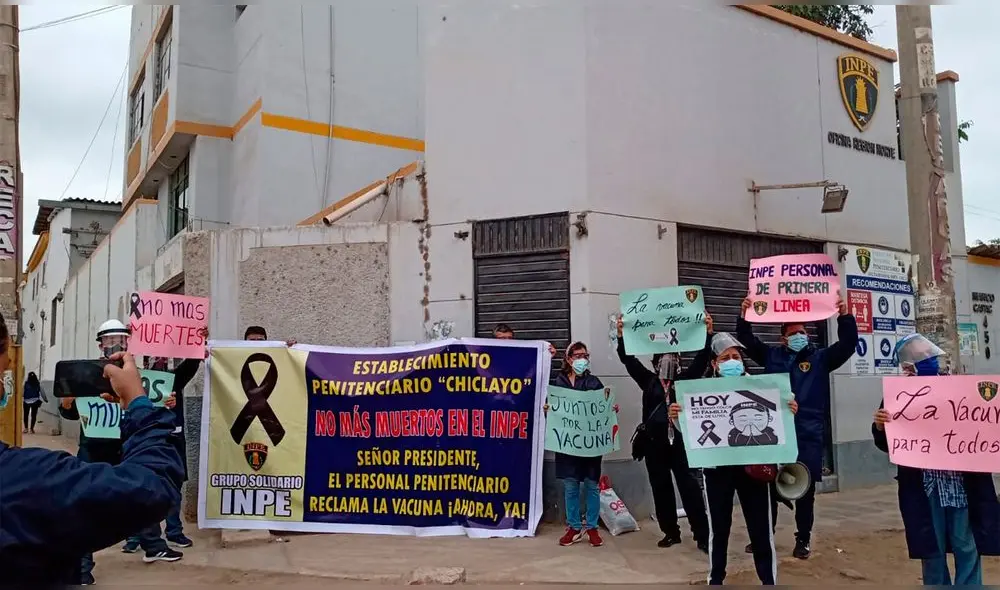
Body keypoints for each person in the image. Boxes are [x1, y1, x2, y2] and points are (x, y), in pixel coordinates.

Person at [0, 350, 185, 585]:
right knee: (85, 508)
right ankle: (85, 568)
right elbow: (153, 487)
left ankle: (152, 546)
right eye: (3, 375)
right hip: (94, 453)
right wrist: (139, 404)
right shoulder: (33, 480)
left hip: (119, 453)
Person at [669, 332, 798, 586]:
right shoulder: (700, 392)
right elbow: (692, 431)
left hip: (754, 469)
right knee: (719, 529)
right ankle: (716, 578)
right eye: (725, 357)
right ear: (715, 364)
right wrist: (677, 416)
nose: (732, 361)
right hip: (717, 469)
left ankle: (768, 580)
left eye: (735, 356)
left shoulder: (763, 389)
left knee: (761, 529)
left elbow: (779, 423)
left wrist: (789, 409)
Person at [736, 291, 857, 559]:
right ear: (783, 338)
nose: (799, 336)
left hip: (807, 434)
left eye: (802, 331)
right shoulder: (770, 357)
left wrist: (845, 316)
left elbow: (849, 344)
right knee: (766, 487)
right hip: (773, 434)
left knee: (804, 490)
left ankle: (802, 539)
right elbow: (746, 339)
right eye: (793, 333)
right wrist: (744, 315)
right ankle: (763, 537)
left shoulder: (820, 359)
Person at [872, 333, 1000, 586]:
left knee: (967, 547)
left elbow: (981, 423)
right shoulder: (899, 395)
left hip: (962, 486)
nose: (926, 360)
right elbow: (887, 442)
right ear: (908, 364)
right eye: (918, 357)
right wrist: (879, 425)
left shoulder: (960, 388)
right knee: (932, 551)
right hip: (926, 488)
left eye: (928, 354)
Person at [615, 313, 711, 551]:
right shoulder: (648, 381)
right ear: (656, 362)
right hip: (654, 444)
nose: (669, 362)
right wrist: (621, 336)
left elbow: (703, 358)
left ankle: (702, 534)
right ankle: (671, 532)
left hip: (680, 443)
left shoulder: (687, 379)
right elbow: (628, 360)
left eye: (673, 357)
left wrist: (708, 333)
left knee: (689, 488)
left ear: (679, 360)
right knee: (661, 489)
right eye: (663, 358)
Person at [550, 341, 608, 548]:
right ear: (568, 359)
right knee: (571, 486)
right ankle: (574, 527)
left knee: (592, 486)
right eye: (576, 355)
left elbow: (603, 406)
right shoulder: (559, 382)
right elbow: (554, 408)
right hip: (567, 443)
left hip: (589, 444)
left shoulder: (594, 382)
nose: (581, 359)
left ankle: (592, 527)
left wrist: (610, 409)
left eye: (584, 355)